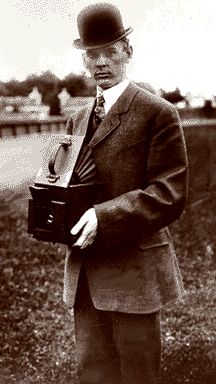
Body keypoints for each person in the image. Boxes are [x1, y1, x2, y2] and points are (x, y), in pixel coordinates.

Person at [63, 3, 188, 383]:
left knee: (137, 374)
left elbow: (170, 192)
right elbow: (71, 184)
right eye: (92, 54)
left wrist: (105, 216)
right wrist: (53, 213)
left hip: (135, 272)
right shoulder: (78, 117)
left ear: (127, 51)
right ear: (84, 60)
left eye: (109, 51)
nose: (100, 62)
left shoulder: (157, 113)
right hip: (87, 271)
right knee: (93, 372)